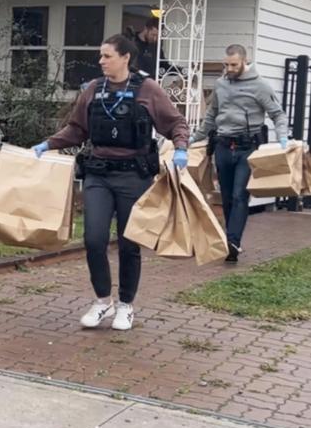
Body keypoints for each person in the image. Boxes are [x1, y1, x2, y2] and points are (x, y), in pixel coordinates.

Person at [32, 34, 189, 331]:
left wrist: (181, 147)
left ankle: (126, 305)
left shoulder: (148, 89)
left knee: (130, 243)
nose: (101, 61)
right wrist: (47, 144)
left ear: (125, 57)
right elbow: (77, 129)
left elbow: (175, 122)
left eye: (107, 56)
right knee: (94, 239)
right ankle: (103, 301)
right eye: (101, 56)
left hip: (134, 176)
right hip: (99, 175)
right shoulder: (93, 89)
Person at [190, 44, 288, 263]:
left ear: (245, 61)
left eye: (233, 64)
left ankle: (232, 242)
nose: (229, 68)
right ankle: (230, 239)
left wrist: (283, 137)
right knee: (225, 197)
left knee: (239, 195)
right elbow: (212, 115)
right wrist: (195, 138)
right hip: (223, 146)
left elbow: (277, 114)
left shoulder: (260, 86)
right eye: (226, 64)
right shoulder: (221, 85)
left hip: (247, 147)